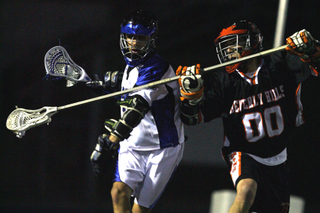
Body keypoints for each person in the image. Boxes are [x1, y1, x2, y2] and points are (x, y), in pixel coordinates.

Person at [176, 20, 320, 213]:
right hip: (243, 151)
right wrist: (191, 98)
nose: (228, 52)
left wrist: (312, 48)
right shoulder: (224, 82)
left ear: (252, 42)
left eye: (234, 44)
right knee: (246, 190)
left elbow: (315, 65)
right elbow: (192, 118)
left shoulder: (279, 64)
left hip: (278, 154)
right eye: (225, 47)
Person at [87, 10, 185, 213]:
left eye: (140, 38)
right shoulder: (131, 67)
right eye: (130, 37)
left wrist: (111, 141)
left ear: (151, 40)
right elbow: (126, 92)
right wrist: (98, 83)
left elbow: (137, 106)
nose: (133, 43)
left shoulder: (158, 67)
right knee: (118, 192)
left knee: (139, 210)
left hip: (162, 148)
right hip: (132, 145)